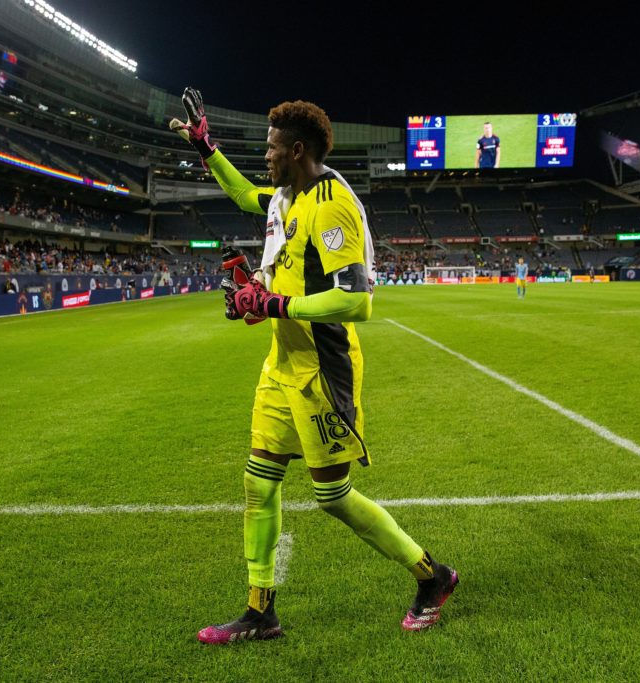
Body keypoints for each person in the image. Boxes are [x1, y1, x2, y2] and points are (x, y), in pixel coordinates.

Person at [173, 88, 457, 644]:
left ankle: (433, 576)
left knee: (333, 496)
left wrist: (276, 304)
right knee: (259, 481)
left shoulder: (332, 204)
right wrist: (207, 149)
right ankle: (260, 612)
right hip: (280, 362)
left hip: (322, 367)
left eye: (272, 149)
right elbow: (243, 195)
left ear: (297, 150)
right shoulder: (285, 197)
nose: (266, 156)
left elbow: (356, 302)